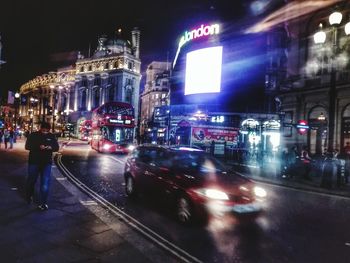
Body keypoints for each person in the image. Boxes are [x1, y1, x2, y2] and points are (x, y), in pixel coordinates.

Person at [25, 122, 59, 210]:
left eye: (47, 131)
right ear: (40, 128)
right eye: (43, 130)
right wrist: (38, 147)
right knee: (31, 181)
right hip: (34, 162)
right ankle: (29, 196)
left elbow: (56, 147)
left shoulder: (51, 136)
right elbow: (27, 146)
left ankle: (43, 203)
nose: (45, 132)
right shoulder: (33, 135)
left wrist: (50, 147)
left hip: (46, 163)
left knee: (45, 183)